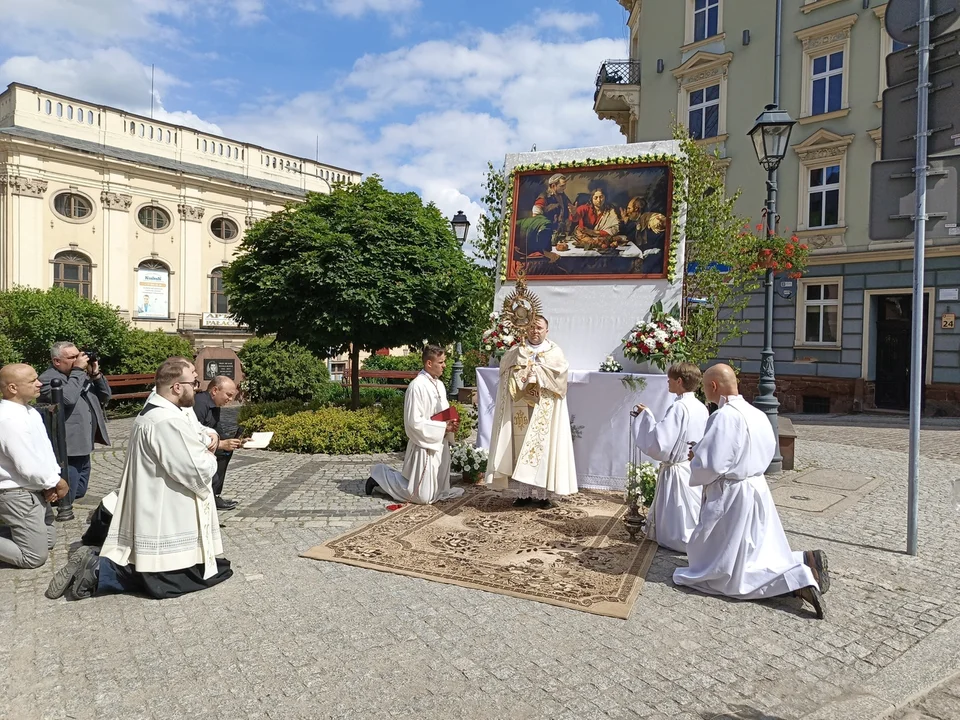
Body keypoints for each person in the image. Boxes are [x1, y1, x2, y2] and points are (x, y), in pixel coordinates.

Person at [46, 359, 232, 601]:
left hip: (156, 498)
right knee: (172, 579)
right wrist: (209, 455)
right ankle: (98, 569)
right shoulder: (167, 421)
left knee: (206, 568)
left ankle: (99, 566)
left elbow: (193, 438)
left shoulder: (158, 412)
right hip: (167, 507)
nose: (196, 387)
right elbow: (194, 470)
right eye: (192, 382)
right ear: (177, 387)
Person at [673, 363, 830, 619]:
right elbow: (757, 449)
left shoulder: (723, 416)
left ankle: (798, 580)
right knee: (755, 551)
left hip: (732, 494)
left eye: (705, 387)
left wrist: (696, 457)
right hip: (756, 488)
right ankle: (803, 559)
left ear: (713, 386)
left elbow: (714, 463)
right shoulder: (756, 413)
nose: (705, 392)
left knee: (728, 573)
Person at [485, 316, 578, 508]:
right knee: (521, 449)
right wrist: (521, 374)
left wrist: (538, 374)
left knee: (542, 450)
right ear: (526, 330)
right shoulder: (516, 351)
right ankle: (523, 494)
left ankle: (543, 496)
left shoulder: (555, 352)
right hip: (521, 407)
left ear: (547, 331)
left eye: (539, 328)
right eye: (532, 328)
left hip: (544, 409)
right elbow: (505, 373)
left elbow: (560, 379)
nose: (535, 331)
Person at [366, 346, 463, 504]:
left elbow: (443, 413)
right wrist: (443, 428)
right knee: (422, 496)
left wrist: (451, 424)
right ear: (429, 363)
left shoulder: (439, 385)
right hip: (424, 445)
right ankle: (379, 475)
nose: (444, 365)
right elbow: (413, 423)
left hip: (440, 442)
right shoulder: (416, 386)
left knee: (438, 492)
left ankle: (387, 478)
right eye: (441, 362)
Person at [630, 362, 709, 553]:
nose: (667, 383)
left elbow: (661, 443)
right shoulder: (701, 406)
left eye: (670, 380)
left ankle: (679, 538)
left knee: (678, 518)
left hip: (676, 466)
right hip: (691, 465)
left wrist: (645, 416)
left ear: (679, 381)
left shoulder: (679, 407)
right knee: (692, 509)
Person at [0, 364, 70, 569]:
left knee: (48, 541)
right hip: (16, 491)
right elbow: (27, 465)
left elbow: (44, 451)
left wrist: (50, 481)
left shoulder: (29, 412)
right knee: (33, 557)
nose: (39, 383)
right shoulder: (8, 419)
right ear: (12, 388)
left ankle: (18, 531)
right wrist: (57, 482)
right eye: (32, 381)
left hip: (34, 488)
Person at [38, 342, 111, 522]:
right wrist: (79, 371)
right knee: (67, 495)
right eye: (72, 357)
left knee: (79, 491)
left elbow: (105, 396)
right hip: (67, 447)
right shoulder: (48, 378)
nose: (78, 360)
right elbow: (67, 399)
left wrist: (95, 375)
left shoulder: (78, 376)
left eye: (78, 355)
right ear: (56, 361)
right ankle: (47, 513)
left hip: (83, 444)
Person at [192, 376, 243, 511]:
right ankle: (210, 495)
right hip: (196, 450)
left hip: (209, 444)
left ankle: (214, 494)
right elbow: (193, 435)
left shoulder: (215, 404)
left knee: (227, 451)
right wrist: (221, 444)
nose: (230, 399)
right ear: (215, 390)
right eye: (228, 395)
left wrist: (234, 441)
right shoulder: (199, 404)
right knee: (223, 451)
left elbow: (217, 428)